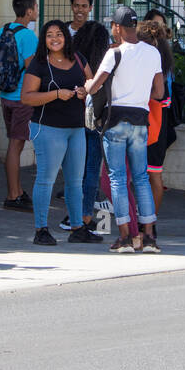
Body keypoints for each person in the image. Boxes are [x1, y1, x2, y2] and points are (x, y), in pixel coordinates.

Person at [83, 6, 165, 253]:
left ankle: (126, 238)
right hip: (141, 120)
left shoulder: (114, 53)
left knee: (118, 179)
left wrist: (87, 84)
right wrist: (139, 95)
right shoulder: (152, 53)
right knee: (141, 178)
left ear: (117, 28)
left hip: (115, 121)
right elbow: (159, 93)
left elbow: (94, 87)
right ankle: (149, 237)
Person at [21, 21, 99, 246]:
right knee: (46, 179)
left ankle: (77, 227)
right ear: (43, 40)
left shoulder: (78, 58)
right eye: (49, 35)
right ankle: (41, 229)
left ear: (66, 36)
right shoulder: (38, 64)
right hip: (48, 128)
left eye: (59, 34)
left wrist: (85, 91)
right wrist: (55, 94)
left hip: (76, 129)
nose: (54, 39)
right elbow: (27, 97)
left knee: (75, 181)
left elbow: (92, 84)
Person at [65, 20, 111, 233]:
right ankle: (86, 215)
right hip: (95, 120)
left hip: (73, 119)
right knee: (93, 169)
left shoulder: (72, 60)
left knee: (74, 170)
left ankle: (72, 216)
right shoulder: (105, 63)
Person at [0, 0, 39, 211]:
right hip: (23, 96)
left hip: (5, 94)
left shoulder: (2, 31)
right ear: (29, 10)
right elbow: (32, 67)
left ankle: (18, 191)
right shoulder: (29, 36)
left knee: (14, 142)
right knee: (16, 145)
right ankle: (13, 195)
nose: (37, 10)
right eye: (36, 7)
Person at [139, 17, 177, 215]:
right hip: (157, 126)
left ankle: (146, 219)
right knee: (153, 175)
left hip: (149, 126)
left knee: (148, 176)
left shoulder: (153, 68)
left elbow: (159, 95)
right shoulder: (163, 65)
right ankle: (149, 221)